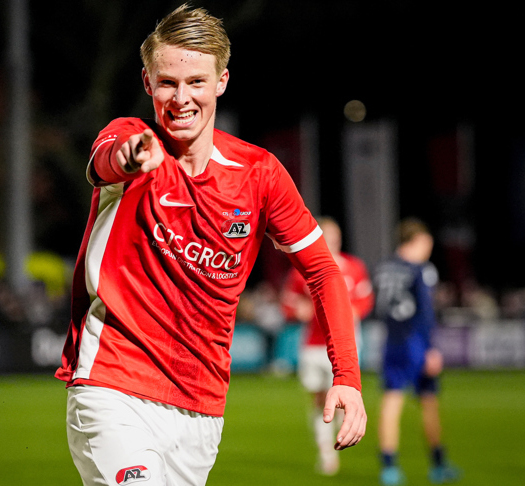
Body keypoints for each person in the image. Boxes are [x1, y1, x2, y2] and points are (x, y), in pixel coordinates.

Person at [56, 5, 366, 485]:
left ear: (221, 81)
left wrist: (346, 376)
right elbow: (105, 161)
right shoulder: (131, 137)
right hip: (112, 387)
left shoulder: (259, 173)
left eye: (196, 82)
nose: (181, 98)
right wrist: (132, 158)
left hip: (201, 410)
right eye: (167, 83)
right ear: (147, 82)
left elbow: (324, 271)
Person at [281, 216, 374, 475]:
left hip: (345, 343)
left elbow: (366, 299)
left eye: (335, 235)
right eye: (326, 235)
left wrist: (354, 311)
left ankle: (339, 437)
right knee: (319, 400)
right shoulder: (302, 267)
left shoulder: (353, 267)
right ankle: (325, 453)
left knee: (344, 398)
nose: (331, 240)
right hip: (313, 344)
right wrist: (297, 310)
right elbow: (288, 302)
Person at [373, 218, 461, 485]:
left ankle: (389, 467)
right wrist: (430, 349)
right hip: (415, 342)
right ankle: (438, 465)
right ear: (416, 241)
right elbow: (425, 311)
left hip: (391, 340)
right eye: (426, 244)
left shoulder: (382, 268)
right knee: (429, 401)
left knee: (391, 401)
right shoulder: (421, 269)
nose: (428, 250)